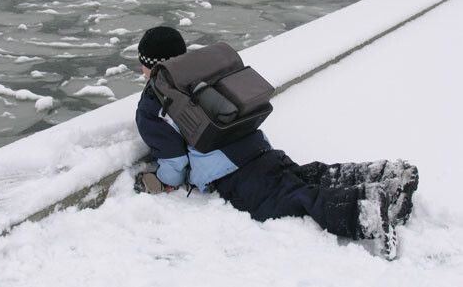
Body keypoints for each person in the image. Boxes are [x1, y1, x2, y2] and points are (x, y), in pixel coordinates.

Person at [134, 26, 418, 260]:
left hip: (233, 172)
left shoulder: (152, 105)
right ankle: (385, 175)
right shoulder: (200, 71)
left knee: (294, 199)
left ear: (148, 66)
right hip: (257, 144)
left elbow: (175, 162)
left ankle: (368, 208)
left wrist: (160, 181)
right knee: (305, 176)